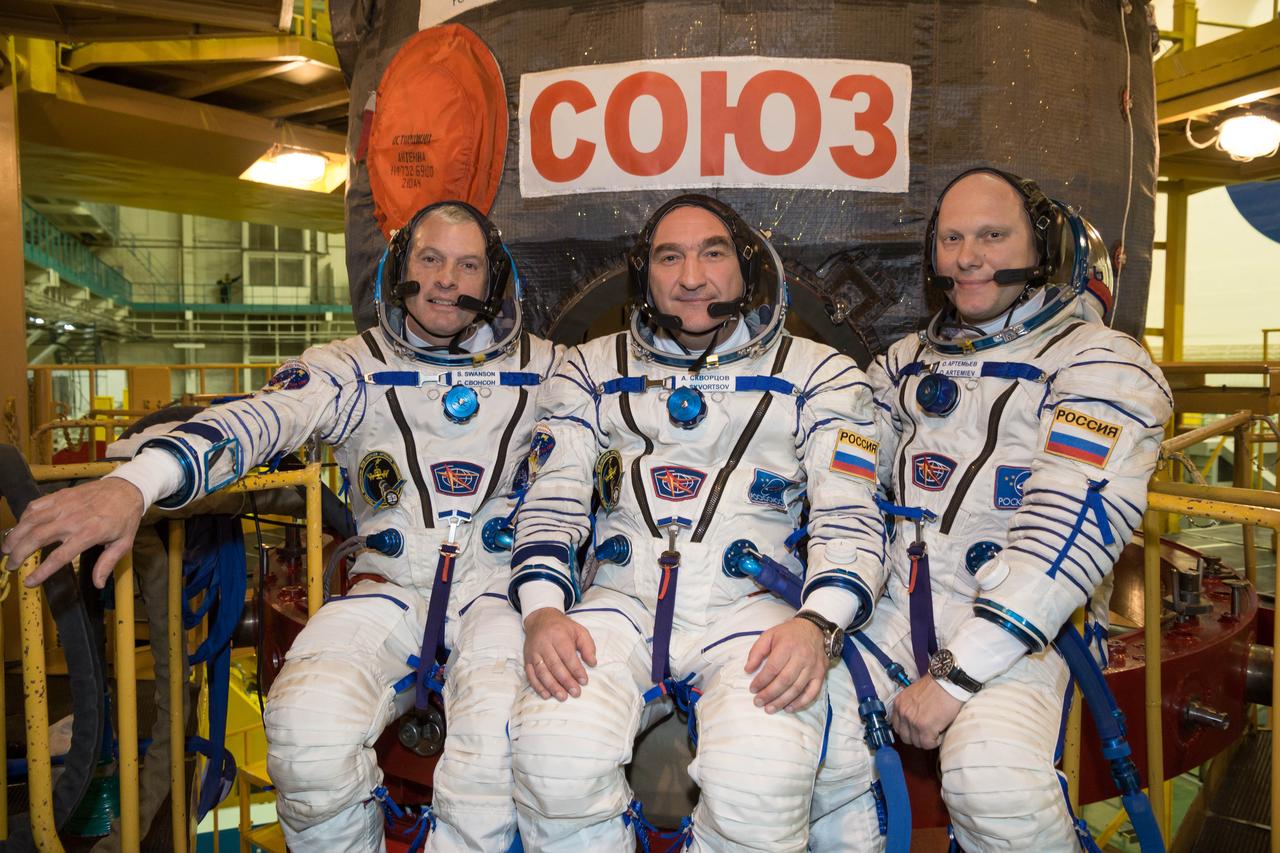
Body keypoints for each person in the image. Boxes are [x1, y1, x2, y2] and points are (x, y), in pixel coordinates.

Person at [2, 201, 559, 852]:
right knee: (303, 732)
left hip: (500, 595)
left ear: (493, 279)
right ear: (400, 268)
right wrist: (136, 482)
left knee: (492, 752)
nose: (446, 279)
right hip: (388, 591)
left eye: (467, 264)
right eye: (430, 258)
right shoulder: (350, 367)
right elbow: (265, 419)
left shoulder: (550, 371)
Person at [504, 193, 886, 852]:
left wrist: (818, 624)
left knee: (758, 787)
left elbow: (849, 518)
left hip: (756, 611)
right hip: (620, 603)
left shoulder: (819, 374)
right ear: (643, 275)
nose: (690, 277)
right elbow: (554, 497)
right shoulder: (592, 371)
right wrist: (541, 608)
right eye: (669, 257)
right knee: (552, 758)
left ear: (745, 269)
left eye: (712, 254)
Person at [818, 168, 1172, 852]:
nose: (967, 256)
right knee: (795, 734)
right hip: (899, 606)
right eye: (951, 238)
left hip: (1026, 625)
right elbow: (845, 481)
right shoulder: (901, 366)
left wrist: (956, 675)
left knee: (993, 777)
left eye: (991, 236)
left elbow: (1066, 529)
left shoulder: (1101, 367)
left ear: (1044, 252)